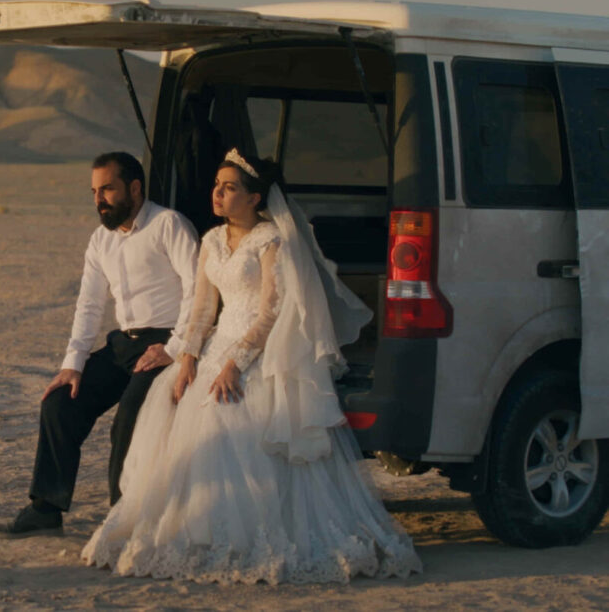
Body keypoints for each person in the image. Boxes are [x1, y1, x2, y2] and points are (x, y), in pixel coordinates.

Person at [81, 148, 422, 584]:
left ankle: (248, 535)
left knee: (232, 414)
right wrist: (188, 358)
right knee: (178, 405)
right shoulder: (210, 240)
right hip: (216, 344)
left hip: (258, 350)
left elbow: (270, 313)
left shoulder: (270, 241)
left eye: (229, 188)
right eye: (217, 186)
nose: (218, 194)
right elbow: (202, 309)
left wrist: (236, 364)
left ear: (254, 198)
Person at [0, 151, 199, 538]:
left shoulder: (169, 225)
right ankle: (46, 510)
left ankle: (123, 521)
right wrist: (73, 364)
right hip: (124, 345)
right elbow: (89, 304)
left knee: (128, 419)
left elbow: (197, 289)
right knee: (59, 403)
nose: (99, 200)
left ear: (135, 189)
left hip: (166, 343)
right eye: (94, 192)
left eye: (108, 190)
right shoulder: (101, 240)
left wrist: (174, 347)